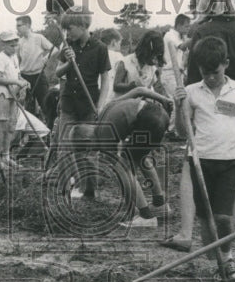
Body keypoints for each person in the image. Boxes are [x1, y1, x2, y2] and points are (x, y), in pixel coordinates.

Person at [165, 0, 235, 252]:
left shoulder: (200, 30)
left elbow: (195, 71)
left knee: (189, 166)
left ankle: (186, 231)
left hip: (203, 97)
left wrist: (189, 102)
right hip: (234, 98)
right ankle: (225, 231)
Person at [172, 36, 235, 282]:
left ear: (226, 63)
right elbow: (180, 132)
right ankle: (217, 257)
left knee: (223, 218)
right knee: (208, 230)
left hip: (230, 163)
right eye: (205, 72)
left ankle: (228, 261)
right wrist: (178, 107)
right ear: (198, 69)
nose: (210, 77)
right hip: (200, 163)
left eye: (215, 72)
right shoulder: (190, 92)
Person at [62, 87, 173, 229]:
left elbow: (121, 172)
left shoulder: (103, 135)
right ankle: (160, 204)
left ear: (88, 140)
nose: (93, 152)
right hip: (160, 113)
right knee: (141, 158)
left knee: (123, 167)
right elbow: (139, 90)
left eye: (89, 149)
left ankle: (146, 216)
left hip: (147, 120)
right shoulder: (106, 109)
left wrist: (130, 206)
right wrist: (162, 99)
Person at [55, 7, 111, 199]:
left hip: (89, 104)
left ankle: (89, 191)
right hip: (69, 103)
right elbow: (57, 72)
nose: (67, 33)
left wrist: (101, 105)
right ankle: (63, 190)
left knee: (88, 149)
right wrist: (69, 62)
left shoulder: (100, 48)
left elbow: (105, 79)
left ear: (81, 26)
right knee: (63, 146)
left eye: (69, 28)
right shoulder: (68, 46)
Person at [0, 30, 27, 166]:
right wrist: (16, 82)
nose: (14, 47)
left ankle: (6, 156)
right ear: (3, 45)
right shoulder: (0, 58)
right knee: (2, 127)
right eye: (11, 45)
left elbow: (17, 76)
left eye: (15, 44)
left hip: (12, 94)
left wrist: (23, 83)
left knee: (11, 126)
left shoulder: (14, 57)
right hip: (1, 95)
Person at [15, 15, 56, 118]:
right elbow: (16, 60)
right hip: (25, 78)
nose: (17, 28)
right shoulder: (19, 42)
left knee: (46, 105)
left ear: (28, 25)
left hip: (38, 76)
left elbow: (54, 49)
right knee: (28, 109)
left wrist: (46, 58)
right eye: (16, 26)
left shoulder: (39, 38)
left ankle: (50, 130)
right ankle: (32, 132)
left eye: (19, 25)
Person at [112, 30, 162, 95]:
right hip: (126, 102)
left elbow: (151, 87)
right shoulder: (125, 62)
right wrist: (132, 85)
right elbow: (115, 86)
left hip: (146, 101)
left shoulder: (152, 66)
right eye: (152, 54)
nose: (154, 58)